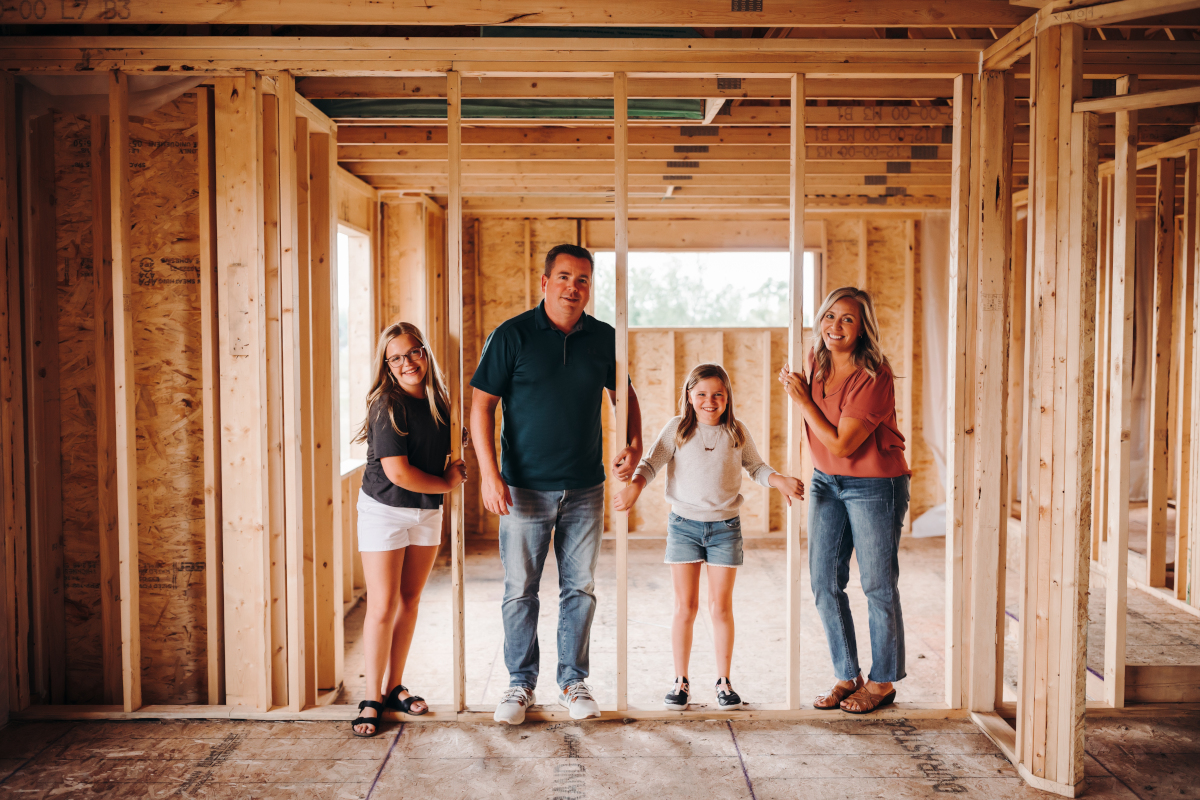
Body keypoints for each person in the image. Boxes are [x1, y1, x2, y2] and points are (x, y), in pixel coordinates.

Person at [470, 243, 643, 725]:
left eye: (583, 279)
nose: (574, 287)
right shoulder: (512, 336)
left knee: (580, 589)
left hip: (586, 488)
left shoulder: (603, 337)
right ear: (544, 283)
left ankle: (572, 681)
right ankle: (519, 684)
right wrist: (489, 472)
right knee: (520, 590)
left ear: (590, 287)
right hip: (522, 488)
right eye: (564, 277)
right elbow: (481, 406)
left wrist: (634, 442)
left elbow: (623, 394)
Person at [614, 363, 804, 711]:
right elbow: (651, 464)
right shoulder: (678, 429)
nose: (709, 401)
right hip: (684, 526)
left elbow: (756, 467)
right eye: (701, 394)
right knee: (686, 607)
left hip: (725, 529)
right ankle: (681, 680)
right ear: (689, 396)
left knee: (720, 607)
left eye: (717, 394)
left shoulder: (736, 432)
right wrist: (634, 490)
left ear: (727, 397)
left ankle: (724, 681)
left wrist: (779, 481)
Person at [779, 286, 911, 714]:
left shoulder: (874, 375)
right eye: (830, 316)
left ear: (862, 328)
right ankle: (846, 674)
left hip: (874, 484)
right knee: (823, 582)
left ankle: (883, 681)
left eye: (848, 319)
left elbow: (841, 443)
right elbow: (820, 444)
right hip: (826, 483)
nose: (836, 326)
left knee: (876, 585)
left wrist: (801, 401)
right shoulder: (816, 363)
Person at [350, 322, 467, 737]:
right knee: (382, 605)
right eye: (396, 357)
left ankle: (393, 686)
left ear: (425, 352)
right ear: (387, 364)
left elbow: (449, 447)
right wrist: (449, 483)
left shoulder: (442, 401)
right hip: (385, 510)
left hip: (425, 512)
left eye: (413, 352)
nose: (407, 363)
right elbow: (398, 473)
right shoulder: (387, 404)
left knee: (409, 600)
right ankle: (370, 697)